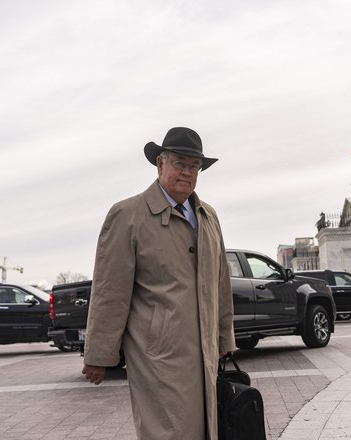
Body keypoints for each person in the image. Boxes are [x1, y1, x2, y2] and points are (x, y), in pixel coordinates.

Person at [82, 126, 235, 440]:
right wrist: (98, 354)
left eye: (194, 166)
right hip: (157, 355)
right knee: (169, 432)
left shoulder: (208, 216)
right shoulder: (128, 215)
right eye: (180, 163)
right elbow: (111, 291)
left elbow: (220, 284)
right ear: (160, 164)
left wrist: (223, 339)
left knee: (208, 429)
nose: (187, 172)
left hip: (203, 352)